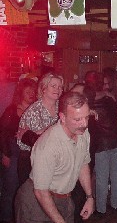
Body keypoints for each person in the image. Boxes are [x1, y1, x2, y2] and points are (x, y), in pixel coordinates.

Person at [14, 91, 95, 223]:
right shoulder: (48, 144)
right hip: (36, 202)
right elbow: (40, 191)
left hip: (64, 199)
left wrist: (89, 197)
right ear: (62, 117)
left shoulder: (83, 133)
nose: (84, 124)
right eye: (77, 119)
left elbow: (83, 163)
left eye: (86, 117)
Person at [84, 71, 117, 216]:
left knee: (101, 178)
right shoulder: (110, 98)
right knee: (114, 176)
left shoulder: (89, 101)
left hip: (101, 144)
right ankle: (115, 205)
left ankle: (101, 209)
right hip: (115, 141)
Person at [16, 72, 63, 185]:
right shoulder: (35, 110)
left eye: (60, 87)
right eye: (53, 86)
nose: (58, 89)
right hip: (30, 160)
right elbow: (38, 141)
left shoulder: (61, 107)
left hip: (53, 159)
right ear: (43, 89)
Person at [0, 78, 37, 222]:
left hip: (29, 153)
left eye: (33, 92)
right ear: (21, 93)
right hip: (13, 152)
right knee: (11, 188)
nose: (31, 94)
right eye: (28, 92)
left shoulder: (35, 110)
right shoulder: (11, 110)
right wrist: (5, 154)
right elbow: (2, 133)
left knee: (26, 190)